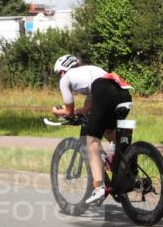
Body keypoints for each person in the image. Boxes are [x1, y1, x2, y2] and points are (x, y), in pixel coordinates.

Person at [51, 54, 132, 205]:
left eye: (58, 74)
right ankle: (126, 162)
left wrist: (57, 112)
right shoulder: (92, 71)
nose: (59, 78)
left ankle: (98, 187)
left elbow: (69, 111)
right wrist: (76, 111)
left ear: (63, 70)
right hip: (123, 93)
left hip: (104, 92)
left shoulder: (65, 79)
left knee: (92, 142)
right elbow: (87, 108)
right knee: (108, 131)